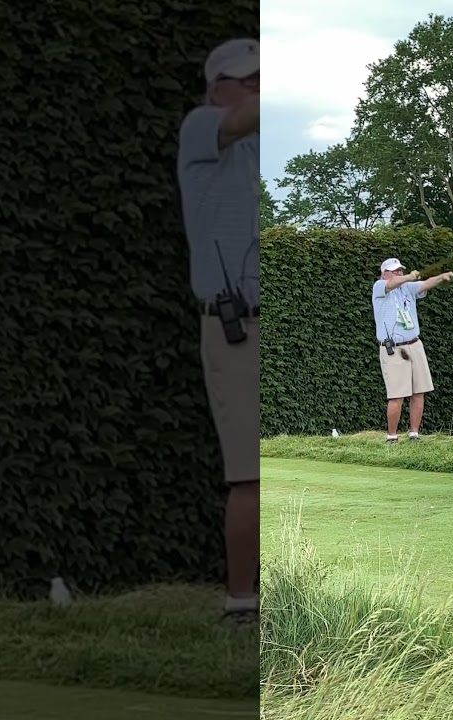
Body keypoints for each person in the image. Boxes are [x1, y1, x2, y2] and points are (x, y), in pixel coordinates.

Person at [176, 37, 260, 626]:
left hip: (262, 317)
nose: (257, 88)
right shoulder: (201, 127)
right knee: (249, 472)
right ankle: (240, 602)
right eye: (247, 79)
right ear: (216, 88)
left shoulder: (259, 145)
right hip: (233, 326)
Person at [371, 258, 453, 444]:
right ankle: (392, 437)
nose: (399, 273)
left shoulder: (407, 288)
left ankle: (414, 434)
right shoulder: (380, 287)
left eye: (400, 270)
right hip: (393, 348)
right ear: (384, 273)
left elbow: (425, 283)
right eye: (395, 271)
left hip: (415, 344)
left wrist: (442, 277)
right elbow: (393, 283)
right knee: (397, 395)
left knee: (419, 391)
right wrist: (408, 276)